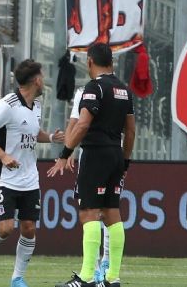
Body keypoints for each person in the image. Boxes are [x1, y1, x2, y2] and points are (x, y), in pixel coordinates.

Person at [48, 43, 135, 287]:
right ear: (112, 63)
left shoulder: (93, 88)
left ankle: (86, 278)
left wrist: (65, 153)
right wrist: (125, 161)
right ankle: (112, 278)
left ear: (89, 62)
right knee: (112, 214)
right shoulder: (124, 90)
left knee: (89, 213)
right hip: (116, 155)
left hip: (95, 155)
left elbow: (83, 125)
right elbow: (130, 132)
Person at [0, 59, 64, 287]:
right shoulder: (7, 105)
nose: (44, 81)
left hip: (29, 177)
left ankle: (17, 278)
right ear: (37, 80)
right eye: (42, 76)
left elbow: (32, 133)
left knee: (29, 228)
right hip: (4, 177)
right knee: (5, 228)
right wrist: (2, 156)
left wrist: (50, 137)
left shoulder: (37, 106)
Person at [65, 86, 109, 284]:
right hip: (111, 155)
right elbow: (74, 123)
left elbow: (78, 124)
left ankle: (98, 269)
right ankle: (103, 268)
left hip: (93, 156)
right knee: (108, 210)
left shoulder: (88, 91)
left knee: (93, 210)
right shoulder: (120, 90)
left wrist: (66, 152)